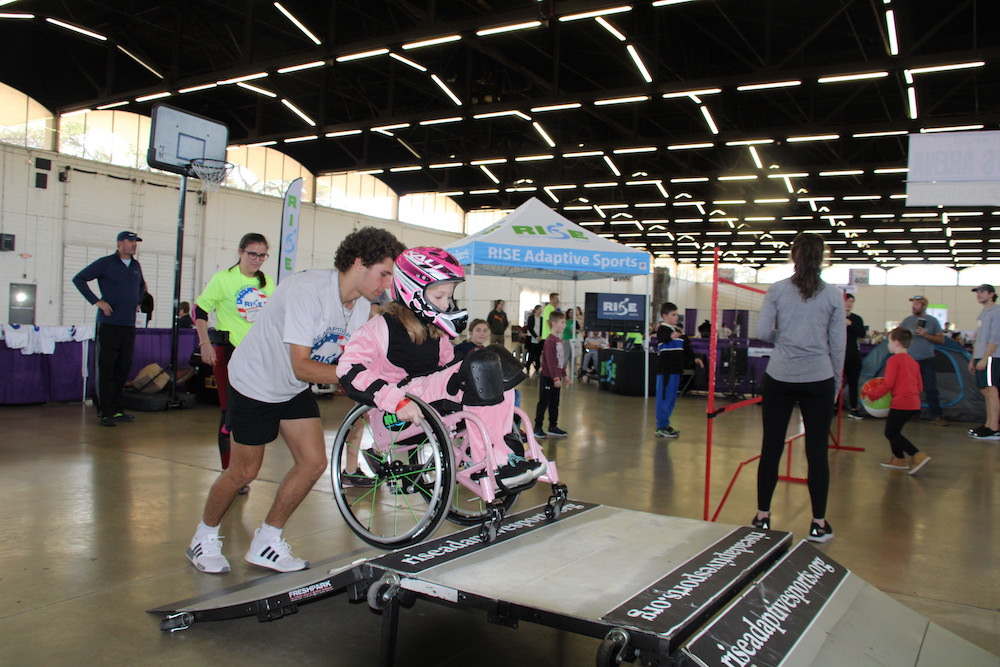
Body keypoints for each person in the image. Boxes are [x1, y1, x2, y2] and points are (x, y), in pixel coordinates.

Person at [185, 227, 404, 575]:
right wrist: (359, 378)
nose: (387, 284)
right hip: (255, 382)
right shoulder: (308, 291)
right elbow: (303, 365)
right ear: (360, 263)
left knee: (313, 462)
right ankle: (203, 537)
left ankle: (267, 540)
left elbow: (345, 361)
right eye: (384, 273)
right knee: (243, 472)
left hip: (291, 387)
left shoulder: (362, 305)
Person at [338, 247, 546, 492]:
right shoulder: (379, 328)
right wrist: (396, 401)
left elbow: (450, 364)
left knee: (494, 363)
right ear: (411, 291)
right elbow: (349, 370)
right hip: (399, 409)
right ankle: (489, 461)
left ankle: (507, 451)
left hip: (432, 396)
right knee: (482, 365)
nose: (446, 304)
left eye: (448, 297)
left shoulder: (435, 332)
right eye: (439, 297)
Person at [752, 233, 845, 543]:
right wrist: (835, 382)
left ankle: (763, 517)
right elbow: (838, 344)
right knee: (817, 451)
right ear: (822, 258)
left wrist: (787, 339)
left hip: (780, 375)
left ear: (794, 256)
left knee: (771, 446)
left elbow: (763, 331)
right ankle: (818, 523)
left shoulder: (777, 291)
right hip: (818, 377)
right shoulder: (833, 295)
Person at [194, 233, 274, 480]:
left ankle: (244, 468)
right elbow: (200, 310)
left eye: (262, 255)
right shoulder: (223, 279)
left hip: (257, 356)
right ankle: (229, 473)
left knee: (252, 412)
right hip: (229, 352)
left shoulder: (266, 282)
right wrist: (204, 342)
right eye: (252, 254)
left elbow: (274, 317)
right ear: (240, 252)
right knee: (229, 412)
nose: (257, 260)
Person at [72, 230, 147, 427]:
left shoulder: (136, 266)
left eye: (135, 242)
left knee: (122, 368)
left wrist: (137, 301)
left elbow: (142, 287)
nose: (134, 245)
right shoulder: (106, 263)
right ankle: (105, 411)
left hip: (128, 325)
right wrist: (98, 302)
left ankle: (117, 410)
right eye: (131, 242)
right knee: (106, 369)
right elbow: (79, 279)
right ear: (120, 243)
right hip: (109, 324)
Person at [865, 327, 931, 475]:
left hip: (901, 402)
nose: (888, 345)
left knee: (891, 432)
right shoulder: (914, 362)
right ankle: (899, 459)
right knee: (894, 430)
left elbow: (888, 383)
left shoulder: (893, 360)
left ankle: (917, 455)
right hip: (913, 403)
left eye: (888, 341)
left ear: (896, 343)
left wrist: (874, 395)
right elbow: (920, 386)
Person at [655, 302, 704, 438]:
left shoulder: (679, 333)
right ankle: (660, 427)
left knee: (671, 399)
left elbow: (687, 348)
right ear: (664, 316)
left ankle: (666, 424)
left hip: (676, 371)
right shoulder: (663, 330)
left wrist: (695, 358)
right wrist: (672, 336)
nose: (676, 317)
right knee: (663, 398)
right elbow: (662, 338)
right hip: (665, 371)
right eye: (673, 315)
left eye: (677, 314)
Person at [900, 295, 946, 426]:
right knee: (910, 389)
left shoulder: (933, 321)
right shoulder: (907, 321)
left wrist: (926, 335)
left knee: (930, 388)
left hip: (927, 360)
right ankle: (912, 414)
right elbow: (899, 337)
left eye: (917, 304)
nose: (914, 306)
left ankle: (936, 416)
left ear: (924, 306)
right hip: (910, 360)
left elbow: (941, 340)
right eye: (913, 303)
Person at [968, 284, 1000, 440]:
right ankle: (988, 424)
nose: (978, 294)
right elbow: (979, 339)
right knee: (985, 391)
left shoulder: (997, 311)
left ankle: (994, 427)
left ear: (991, 294)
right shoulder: (982, 314)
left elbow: (996, 338)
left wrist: (986, 357)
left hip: (992, 356)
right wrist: (973, 359)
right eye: (977, 292)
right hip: (981, 356)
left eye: (982, 292)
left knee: (991, 390)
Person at [534, 310, 568, 439]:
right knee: (544, 402)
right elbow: (550, 361)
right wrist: (555, 377)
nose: (564, 325)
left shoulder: (559, 340)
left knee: (555, 403)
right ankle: (537, 427)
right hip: (548, 378)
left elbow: (560, 359)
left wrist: (564, 374)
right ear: (554, 324)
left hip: (556, 378)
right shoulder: (550, 341)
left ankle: (553, 426)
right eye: (562, 322)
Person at [843, 293, 866, 419]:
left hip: (852, 356)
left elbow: (862, 333)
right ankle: (834, 406)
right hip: (839, 355)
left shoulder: (856, 319)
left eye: (852, 301)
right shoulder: (835, 317)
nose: (849, 303)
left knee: (853, 382)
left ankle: (854, 408)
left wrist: (850, 323)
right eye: (847, 301)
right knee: (837, 382)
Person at [524, 305, 543, 376]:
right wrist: (536, 336)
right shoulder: (531, 318)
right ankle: (527, 367)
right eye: (539, 309)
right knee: (531, 354)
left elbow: (542, 328)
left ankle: (537, 368)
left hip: (539, 339)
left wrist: (540, 336)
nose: (540, 311)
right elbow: (530, 328)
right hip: (532, 338)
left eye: (541, 310)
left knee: (538, 354)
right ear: (536, 310)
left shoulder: (541, 319)